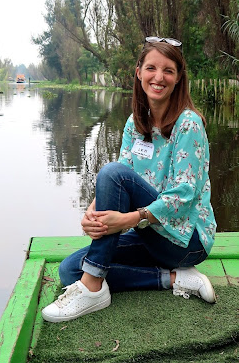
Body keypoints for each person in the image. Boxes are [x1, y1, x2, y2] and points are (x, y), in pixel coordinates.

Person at [42, 37, 217, 323]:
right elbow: (121, 176)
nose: (158, 77)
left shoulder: (189, 124)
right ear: (138, 72)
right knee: (70, 269)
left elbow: (183, 197)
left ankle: (93, 287)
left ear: (178, 78)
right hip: (153, 236)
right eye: (151, 68)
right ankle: (174, 280)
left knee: (111, 173)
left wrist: (128, 220)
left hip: (187, 240)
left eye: (168, 70)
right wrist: (92, 212)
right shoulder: (135, 123)